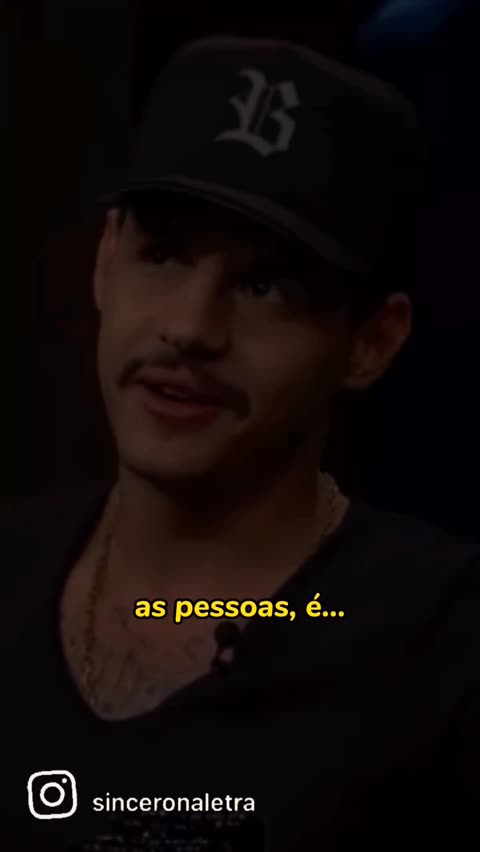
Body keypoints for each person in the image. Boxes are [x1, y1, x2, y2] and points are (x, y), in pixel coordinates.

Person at [5, 35, 479, 852]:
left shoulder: (444, 643)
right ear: (107, 259)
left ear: (372, 341)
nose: (191, 328)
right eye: (164, 254)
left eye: (266, 285)